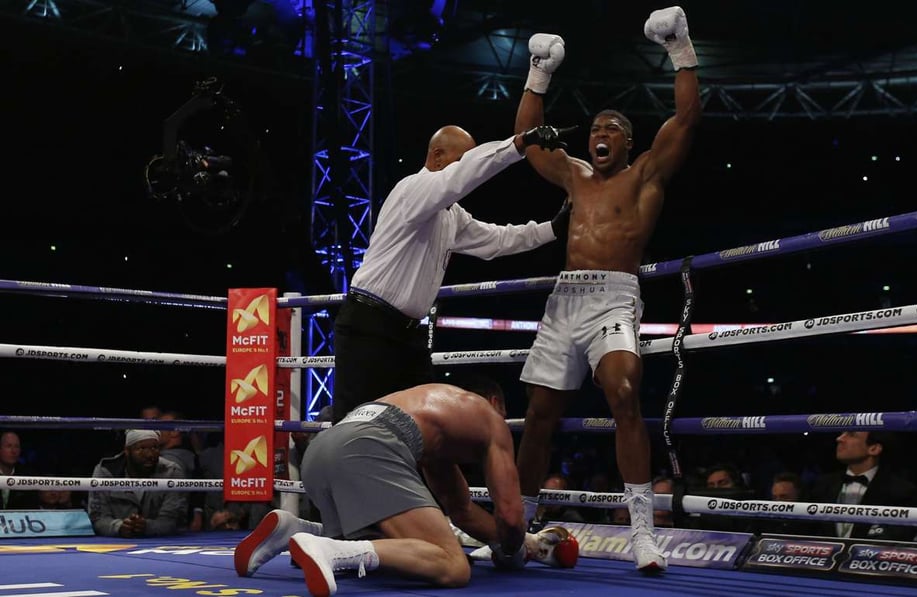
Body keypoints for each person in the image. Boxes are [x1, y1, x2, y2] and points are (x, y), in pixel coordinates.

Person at [512, 5, 701, 573]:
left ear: (627, 141)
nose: (599, 134)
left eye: (611, 130)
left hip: (615, 296)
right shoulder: (573, 173)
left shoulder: (645, 175)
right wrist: (538, 75)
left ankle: (644, 532)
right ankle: (517, 529)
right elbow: (526, 140)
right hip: (564, 297)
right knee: (539, 415)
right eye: (594, 128)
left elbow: (687, 120)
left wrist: (680, 49)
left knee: (623, 392)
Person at [234, 384, 578, 597]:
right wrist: (515, 552)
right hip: (366, 448)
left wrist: (530, 545)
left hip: (324, 449)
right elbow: (510, 515)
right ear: (494, 401)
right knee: (452, 567)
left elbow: (460, 511)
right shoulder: (491, 420)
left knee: (396, 550)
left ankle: (294, 531)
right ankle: (328, 549)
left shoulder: (436, 422)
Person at [330, 124, 574, 424]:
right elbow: (463, 176)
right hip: (368, 328)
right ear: (436, 157)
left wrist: (551, 229)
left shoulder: (451, 214)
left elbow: (495, 240)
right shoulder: (412, 190)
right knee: (354, 429)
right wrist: (520, 143)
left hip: (408, 336)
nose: (468, 171)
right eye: (462, 160)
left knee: (419, 430)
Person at [808, 431, 917, 541]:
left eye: (851, 435)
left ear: (874, 449)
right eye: (842, 433)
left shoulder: (901, 491)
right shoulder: (821, 484)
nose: (839, 438)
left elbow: (896, 537)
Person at [87, 429, 188, 537]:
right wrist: (119, 527)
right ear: (127, 450)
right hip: (116, 542)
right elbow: (97, 517)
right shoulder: (105, 471)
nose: (149, 454)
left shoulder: (171, 472)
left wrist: (147, 526)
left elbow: (174, 519)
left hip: (160, 541)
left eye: (154, 447)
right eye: (142, 448)